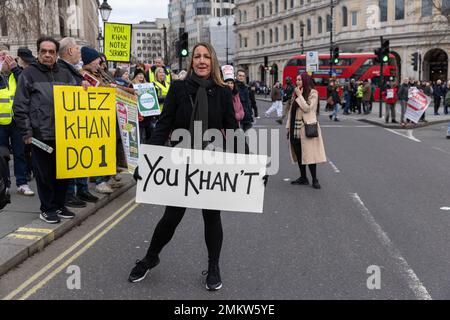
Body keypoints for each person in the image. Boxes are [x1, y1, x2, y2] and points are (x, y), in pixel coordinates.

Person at [129, 42, 241, 291]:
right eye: (197, 57)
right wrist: (147, 162)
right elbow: (163, 126)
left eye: (206, 57)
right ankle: (150, 258)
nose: (201, 61)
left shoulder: (223, 93)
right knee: (171, 218)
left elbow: (233, 130)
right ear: (191, 62)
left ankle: (213, 267)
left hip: (211, 162)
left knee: (212, 217)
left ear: (212, 62)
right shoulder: (179, 89)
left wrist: (250, 165)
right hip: (179, 162)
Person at [13, 37, 78, 224]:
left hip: (65, 134)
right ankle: (47, 208)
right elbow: (20, 106)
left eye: (51, 52)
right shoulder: (29, 74)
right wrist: (27, 133)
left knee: (63, 173)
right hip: (41, 135)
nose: (47, 55)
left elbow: (76, 102)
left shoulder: (66, 75)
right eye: (44, 51)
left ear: (57, 54)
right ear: (38, 53)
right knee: (45, 174)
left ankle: (59, 205)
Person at [58, 38, 99, 207]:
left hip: (79, 121)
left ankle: (81, 190)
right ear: (69, 51)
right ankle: (69, 193)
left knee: (82, 156)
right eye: (77, 49)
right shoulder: (62, 69)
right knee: (71, 159)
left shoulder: (72, 69)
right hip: (69, 123)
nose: (79, 53)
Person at [0, 49, 35, 196]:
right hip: (1, 122)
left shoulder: (18, 74)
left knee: (20, 153)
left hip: (16, 122)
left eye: (9, 57)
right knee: (2, 156)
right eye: (3, 57)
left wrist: (15, 68)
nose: (6, 61)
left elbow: (26, 84)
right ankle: (5, 184)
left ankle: (22, 183)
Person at [286, 73, 326, 190]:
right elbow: (291, 112)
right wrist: (288, 127)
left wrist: (299, 95)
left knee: (309, 154)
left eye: (300, 79)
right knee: (299, 154)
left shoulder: (313, 93)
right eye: (297, 79)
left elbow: (308, 108)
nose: (298, 82)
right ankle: (303, 177)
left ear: (305, 80)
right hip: (295, 127)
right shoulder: (296, 93)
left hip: (307, 127)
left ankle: (314, 179)